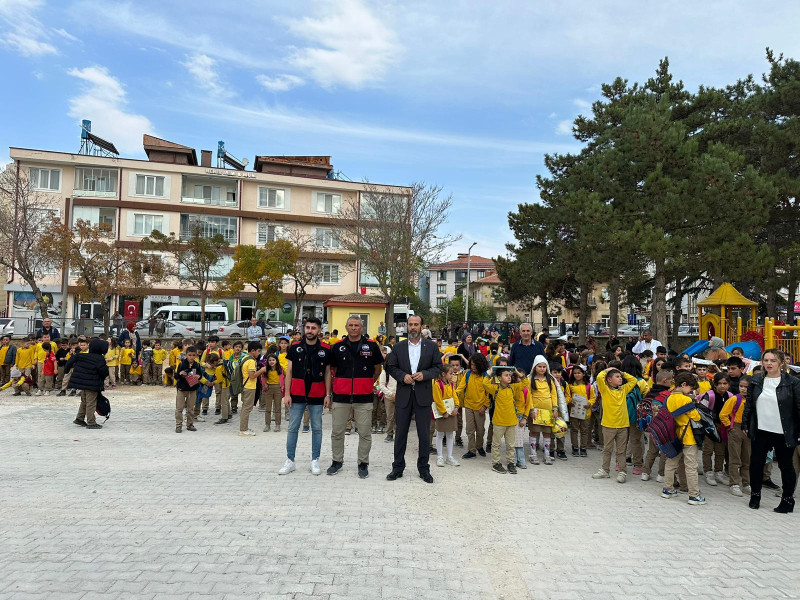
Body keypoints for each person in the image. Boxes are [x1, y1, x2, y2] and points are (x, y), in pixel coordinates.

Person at [385, 315, 443, 483]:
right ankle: (397, 468)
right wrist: (402, 376)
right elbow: (391, 367)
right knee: (400, 433)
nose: (413, 327)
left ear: (421, 326)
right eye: (410, 324)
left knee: (424, 435)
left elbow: (438, 367)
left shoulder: (431, 346)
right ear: (407, 327)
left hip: (423, 396)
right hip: (404, 395)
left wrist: (425, 374)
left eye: (416, 324)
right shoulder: (399, 347)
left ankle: (424, 469)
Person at [743, 348, 800, 513]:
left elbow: (798, 408)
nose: (769, 363)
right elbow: (749, 405)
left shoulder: (793, 382)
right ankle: (755, 496)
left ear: (781, 363)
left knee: (786, 466)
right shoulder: (756, 380)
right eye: (766, 360)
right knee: (756, 464)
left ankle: (787, 500)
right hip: (761, 429)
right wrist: (745, 424)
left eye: (773, 360)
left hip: (784, 431)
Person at [327, 316, 384, 479]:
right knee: (337, 432)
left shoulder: (371, 345)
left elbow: (378, 368)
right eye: (351, 325)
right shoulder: (337, 346)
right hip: (341, 397)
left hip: (364, 397)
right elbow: (333, 370)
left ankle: (363, 463)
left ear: (361, 327)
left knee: (365, 432)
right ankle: (337, 461)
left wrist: (367, 383)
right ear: (346, 327)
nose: (353, 328)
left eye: (356, 325)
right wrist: (341, 384)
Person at [280, 318, 332, 476]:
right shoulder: (295, 347)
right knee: (292, 428)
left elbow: (328, 373)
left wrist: (328, 395)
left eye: (313, 328)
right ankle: (290, 460)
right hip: (297, 393)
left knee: (317, 429)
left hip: (317, 393)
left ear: (319, 330)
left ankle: (315, 460)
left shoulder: (326, 349)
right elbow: (289, 371)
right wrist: (287, 394)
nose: (310, 330)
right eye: (308, 327)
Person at [660, 372, 705, 505]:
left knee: (671, 463)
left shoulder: (669, 398)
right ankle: (694, 495)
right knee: (691, 466)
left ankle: (668, 489)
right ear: (684, 385)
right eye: (690, 389)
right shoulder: (686, 400)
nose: (690, 391)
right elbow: (696, 417)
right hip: (689, 437)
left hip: (675, 436)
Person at [591, 366, 641, 482]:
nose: (620, 378)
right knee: (607, 449)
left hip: (623, 426)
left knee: (621, 451)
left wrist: (622, 373)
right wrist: (608, 370)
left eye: (620, 377)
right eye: (617, 377)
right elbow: (599, 377)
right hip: (608, 425)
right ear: (609, 380)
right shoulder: (605, 390)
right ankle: (605, 470)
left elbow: (633, 380)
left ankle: (622, 472)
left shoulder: (623, 389)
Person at [484, 366, 527, 474]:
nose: (509, 377)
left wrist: (517, 372)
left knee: (511, 445)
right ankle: (496, 463)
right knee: (496, 445)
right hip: (499, 422)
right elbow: (484, 383)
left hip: (511, 422)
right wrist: (490, 373)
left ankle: (510, 463)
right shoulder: (495, 388)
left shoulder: (513, 387)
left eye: (509, 375)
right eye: (506, 375)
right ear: (499, 378)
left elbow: (526, 382)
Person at [66, 338, 109, 430]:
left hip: (82, 384)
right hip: (93, 384)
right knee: (91, 403)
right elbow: (104, 372)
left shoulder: (82, 355)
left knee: (84, 401)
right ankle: (91, 422)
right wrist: (104, 376)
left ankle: (79, 418)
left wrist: (66, 370)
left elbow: (70, 361)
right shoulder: (100, 359)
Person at [698, 372, 732, 487]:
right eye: (720, 383)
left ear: (729, 384)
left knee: (720, 451)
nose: (722, 386)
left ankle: (718, 472)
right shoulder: (709, 395)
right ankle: (708, 471)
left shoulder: (730, 396)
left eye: (725, 383)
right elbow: (702, 411)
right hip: (709, 428)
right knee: (708, 450)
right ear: (715, 384)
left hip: (723, 428)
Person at [720, 374, 751, 497]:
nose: (743, 389)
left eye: (746, 387)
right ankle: (734, 483)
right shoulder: (734, 399)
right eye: (741, 386)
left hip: (748, 431)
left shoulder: (753, 400)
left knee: (747, 459)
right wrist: (730, 427)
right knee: (735, 459)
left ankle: (746, 483)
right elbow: (723, 414)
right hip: (736, 429)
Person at [456, 353, 490, 459]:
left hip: (480, 408)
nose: (472, 367)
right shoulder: (468, 374)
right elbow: (460, 388)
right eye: (471, 364)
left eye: (475, 365)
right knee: (470, 430)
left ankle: (479, 446)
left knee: (480, 430)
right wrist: (452, 395)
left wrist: (484, 406)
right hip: (468, 406)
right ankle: (471, 450)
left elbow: (489, 394)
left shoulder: (486, 376)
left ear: (480, 364)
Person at [527, 356, 560, 465]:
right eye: (539, 366)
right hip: (535, 411)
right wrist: (531, 409)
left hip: (548, 411)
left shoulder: (550, 380)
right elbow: (529, 395)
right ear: (534, 367)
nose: (542, 369)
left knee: (547, 433)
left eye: (544, 367)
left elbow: (554, 394)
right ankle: (533, 455)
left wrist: (555, 408)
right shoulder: (530, 379)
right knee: (534, 432)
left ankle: (547, 454)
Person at [432, 363, 460, 467]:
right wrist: (443, 412)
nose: (452, 375)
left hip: (451, 413)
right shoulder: (437, 385)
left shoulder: (451, 384)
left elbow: (455, 396)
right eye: (450, 373)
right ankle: (440, 457)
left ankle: (449, 456)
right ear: (444, 374)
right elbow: (438, 400)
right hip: (442, 414)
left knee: (450, 434)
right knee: (440, 434)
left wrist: (456, 407)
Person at [238, 341, 265, 437]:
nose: (259, 353)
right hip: (249, 387)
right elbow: (252, 376)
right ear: (253, 351)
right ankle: (243, 429)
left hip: (245, 386)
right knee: (247, 408)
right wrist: (261, 370)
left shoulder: (244, 357)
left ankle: (244, 427)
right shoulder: (251, 361)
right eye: (258, 351)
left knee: (245, 407)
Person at [566, 366, 594, 457]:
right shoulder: (570, 385)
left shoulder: (588, 386)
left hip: (585, 412)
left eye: (579, 373)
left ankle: (583, 448)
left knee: (584, 430)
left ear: (583, 374)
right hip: (574, 411)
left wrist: (589, 403)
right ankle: (575, 447)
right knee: (574, 429)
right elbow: (568, 396)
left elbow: (593, 398)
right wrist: (570, 402)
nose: (577, 375)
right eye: (575, 373)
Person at [175, 345, 201, 433]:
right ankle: (178, 425)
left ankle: (190, 425)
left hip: (192, 390)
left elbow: (200, 375)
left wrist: (198, 376)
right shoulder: (181, 364)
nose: (191, 357)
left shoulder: (197, 365)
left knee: (190, 409)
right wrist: (180, 373)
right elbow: (176, 376)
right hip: (182, 390)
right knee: (179, 408)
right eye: (189, 355)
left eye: (193, 355)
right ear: (186, 355)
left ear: (196, 355)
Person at [378, 346, 397, 443]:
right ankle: (389, 434)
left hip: (400, 397)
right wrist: (390, 393)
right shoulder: (385, 372)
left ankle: (399, 434)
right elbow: (381, 385)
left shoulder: (400, 371)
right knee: (390, 417)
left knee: (400, 417)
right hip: (389, 397)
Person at [262, 354, 283, 432]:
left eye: (273, 360)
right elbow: (263, 378)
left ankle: (278, 425)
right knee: (268, 408)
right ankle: (267, 425)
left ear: (276, 361)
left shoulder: (280, 369)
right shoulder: (266, 369)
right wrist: (265, 384)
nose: (271, 362)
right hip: (269, 388)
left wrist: (282, 386)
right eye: (270, 360)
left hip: (278, 388)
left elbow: (284, 378)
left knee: (277, 408)